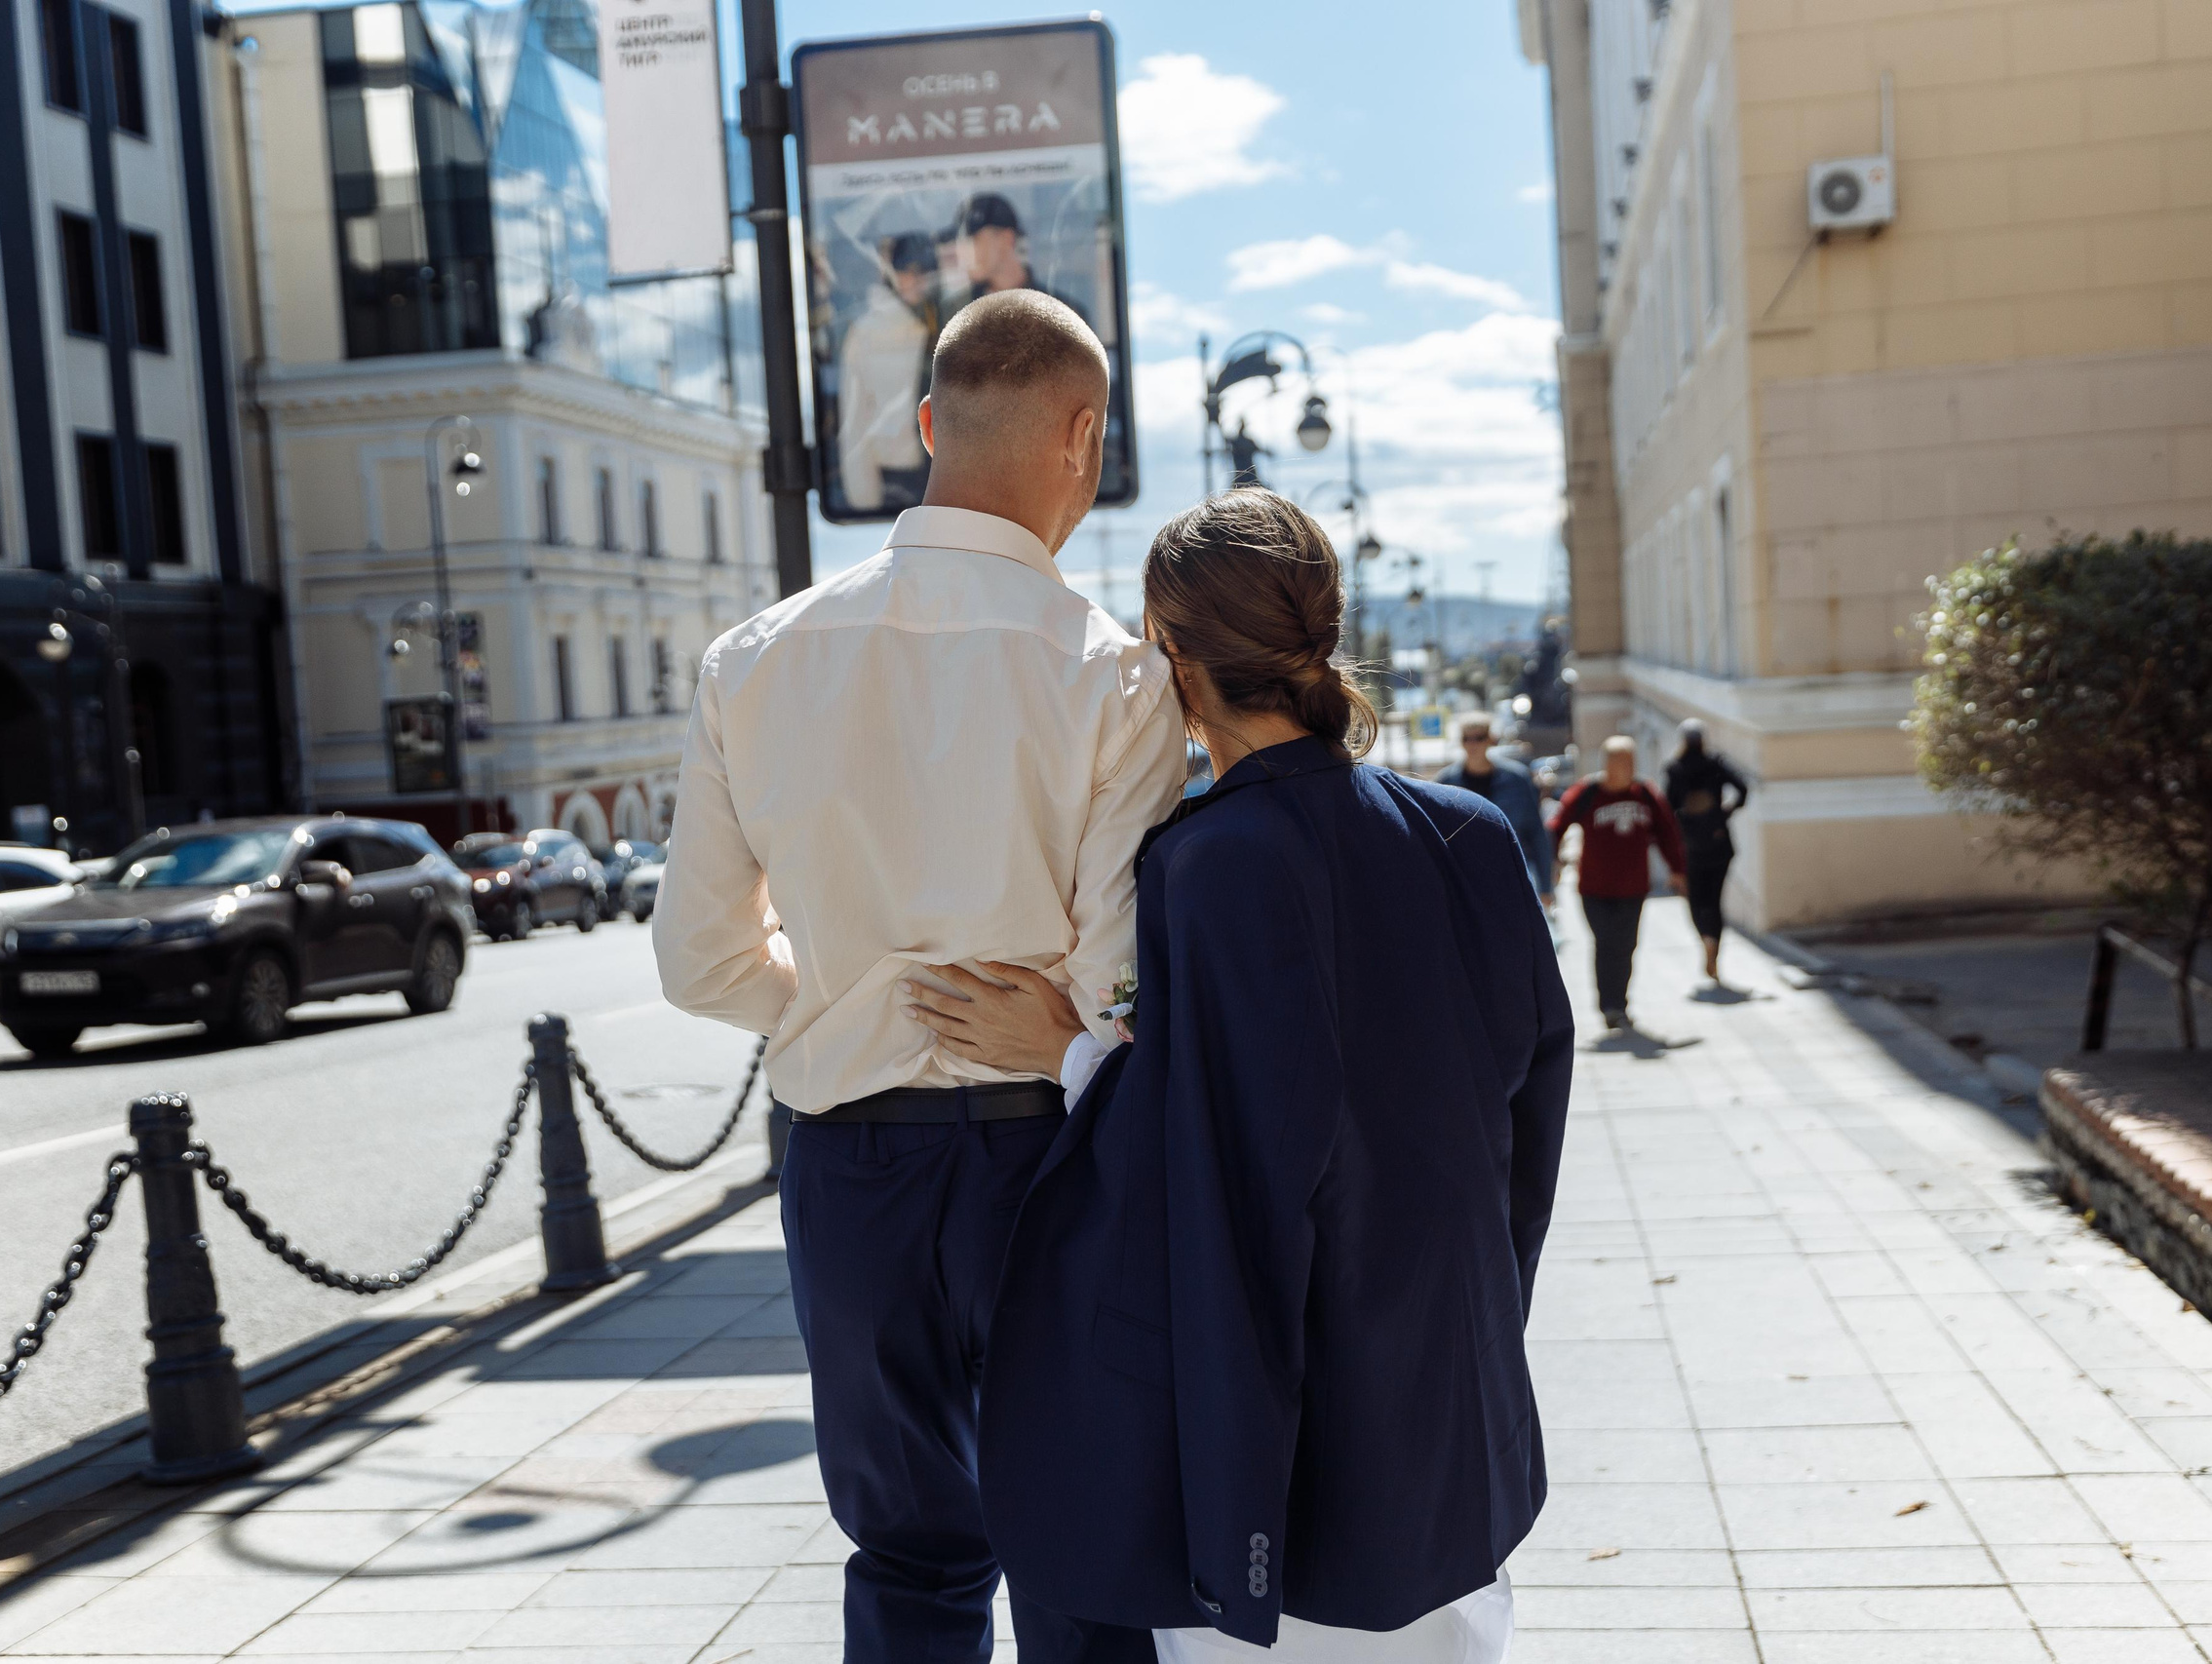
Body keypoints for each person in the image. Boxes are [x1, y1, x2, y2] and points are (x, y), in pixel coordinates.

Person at [903, 488, 1573, 1662]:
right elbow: (1530, 1114)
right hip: (1450, 1392)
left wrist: (1066, 1052)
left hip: (1302, 1436)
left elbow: (1210, 1157)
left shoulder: (1208, 867)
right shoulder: (1470, 835)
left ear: (1170, 653)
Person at [654, 289, 1185, 1664]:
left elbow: (699, 957)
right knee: (1081, 1536)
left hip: (852, 1160)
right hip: (1050, 1155)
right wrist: (1049, 1014)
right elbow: (1120, 980)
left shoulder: (754, 659)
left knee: (905, 1548)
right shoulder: (1119, 680)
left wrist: (842, 1002)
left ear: (930, 422)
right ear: (1084, 435)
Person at [1551, 735, 1685, 1031]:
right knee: (1606, 943)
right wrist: (1553, 860)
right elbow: (1556, 826)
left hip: (1634, 888)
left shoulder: (1645, 794)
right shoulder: (1586, 793)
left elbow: (1667, 832)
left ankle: (1619, 1004)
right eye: (1621, 763)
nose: (1627, 769)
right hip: (1594, 888)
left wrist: (1677, 869)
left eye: (1631, 762)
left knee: (1626, 945)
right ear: (1607, 765)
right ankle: (1609, 1006)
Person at [835, 231, 940, 513]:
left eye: (925, 271)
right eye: (907, 270)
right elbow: (854, 421)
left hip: (952, 477)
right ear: (892, 272)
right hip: (897, 480)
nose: (917, 280)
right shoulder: (866, 333)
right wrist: (865, 502)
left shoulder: (950, 320)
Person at [1438, 715, 1555, 909]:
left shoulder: (1517, 779)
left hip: (1513, 873)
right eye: (1467, 739)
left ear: (1491, 740)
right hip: (1466, 878)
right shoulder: (1446, 783)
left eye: (1479, 737)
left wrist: (1546, 887)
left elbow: (1536, 832)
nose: (1473, 744)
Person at [1662, 718, 1748, 983]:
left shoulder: (1676, 769)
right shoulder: (1715, 764)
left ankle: (1706, 940)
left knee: (1696, 902)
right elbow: (1743, 789)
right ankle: (1714, 949)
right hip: (1719, 842)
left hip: (1691, 845)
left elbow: (1667, 808)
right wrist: (1726, 812)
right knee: (1714, 901)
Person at [942, 192, 1090, 328]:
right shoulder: (954, 314)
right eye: (959, 243)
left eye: (973, 240)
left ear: (1007, 239)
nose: (963, 253)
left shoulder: (1064, 314)